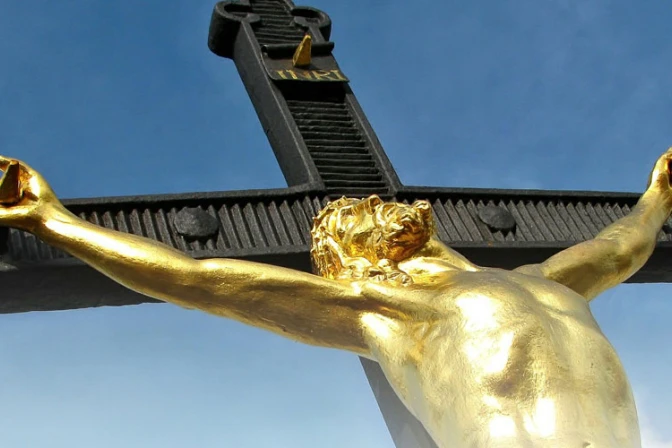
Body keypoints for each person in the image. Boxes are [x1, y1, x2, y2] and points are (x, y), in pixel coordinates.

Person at [2, 150, 671, 448]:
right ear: (352, 255)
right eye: (357, 212)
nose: (375, 201)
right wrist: (52, 221)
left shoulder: (544, 277)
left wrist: (659, 195)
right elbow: (196, 277)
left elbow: (620, 247)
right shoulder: (385, 312)